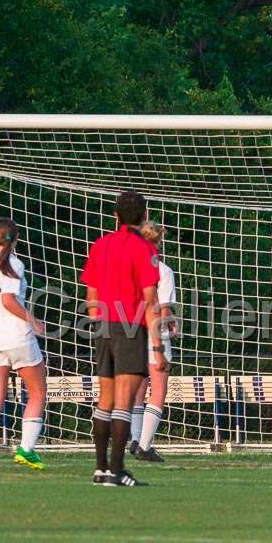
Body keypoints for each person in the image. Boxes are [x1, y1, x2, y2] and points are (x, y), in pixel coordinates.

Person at [81, 191, 168, 487]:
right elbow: (150, 300)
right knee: (123, 402)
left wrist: (102, 325)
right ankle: (117, 472)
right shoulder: (145, 249)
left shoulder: (101, 244)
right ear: (144, 217)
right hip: (130, 327)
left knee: (104, 400)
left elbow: (91, 296)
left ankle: (101, 469)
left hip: (104, 326)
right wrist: (157, 346)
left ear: (115, 216)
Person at [0, 218, 47, 473]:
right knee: (37, 393)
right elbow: (7, 300)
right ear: (17, 239)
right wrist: (33, 320)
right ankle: (26, 449)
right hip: (17, 339)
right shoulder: (15, 263)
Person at [129, 221, 177, 463]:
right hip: (153, 331)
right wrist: (172, 323)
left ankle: (136, 439)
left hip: (129, 331)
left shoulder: (129, 269)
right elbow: (163, 308)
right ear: (159, 242)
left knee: (138, 387)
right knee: (158, 387)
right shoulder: (163, 270)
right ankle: (144, 446)